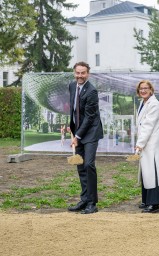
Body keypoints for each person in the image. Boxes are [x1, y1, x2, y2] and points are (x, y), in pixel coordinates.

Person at [68, 61, 104, 214]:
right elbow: (74, 109)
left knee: (89, 165)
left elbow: (89, 117)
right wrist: (72, 128)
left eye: (83, 73)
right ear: (74, 73)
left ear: (88, 74)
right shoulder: (71, 86)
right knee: (81, 166)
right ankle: (84, 200)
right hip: (78, 131)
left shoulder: (91, 91)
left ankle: (92, 203)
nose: (80, 76)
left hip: (90, 133)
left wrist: (77, 136)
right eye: (78, 73)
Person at [135, 80, 159, 213]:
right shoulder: (143, 102)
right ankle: (147, 199)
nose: (143, 90)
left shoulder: (153, 104)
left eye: (146, 88)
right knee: (146, 172)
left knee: (151, 172)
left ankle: (154, 204)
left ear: (151, 90)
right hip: (146, 142)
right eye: (141, 88)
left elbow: (148, 126)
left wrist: (139, 144)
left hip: (151, 142)